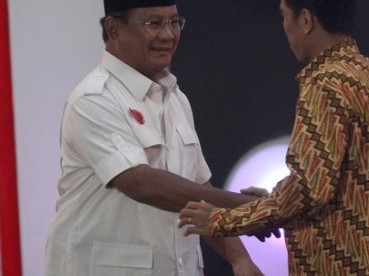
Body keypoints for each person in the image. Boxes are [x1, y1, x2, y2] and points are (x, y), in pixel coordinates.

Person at [179, 0, 369, 275]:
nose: (284, 27)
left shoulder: (325, 83)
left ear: (306, 20)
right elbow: (342, 185)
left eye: (285, 16)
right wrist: (273, 200)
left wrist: (222, 220)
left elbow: (309, 190)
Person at [44, 0, 265, 275]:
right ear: (114, 29)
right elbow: (138, 182)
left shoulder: (175, 99)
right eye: (155, 23)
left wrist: (238, 258)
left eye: (174, 22)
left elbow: (199, 189)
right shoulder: (95, 98)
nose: (168, 35)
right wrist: (241, 206)